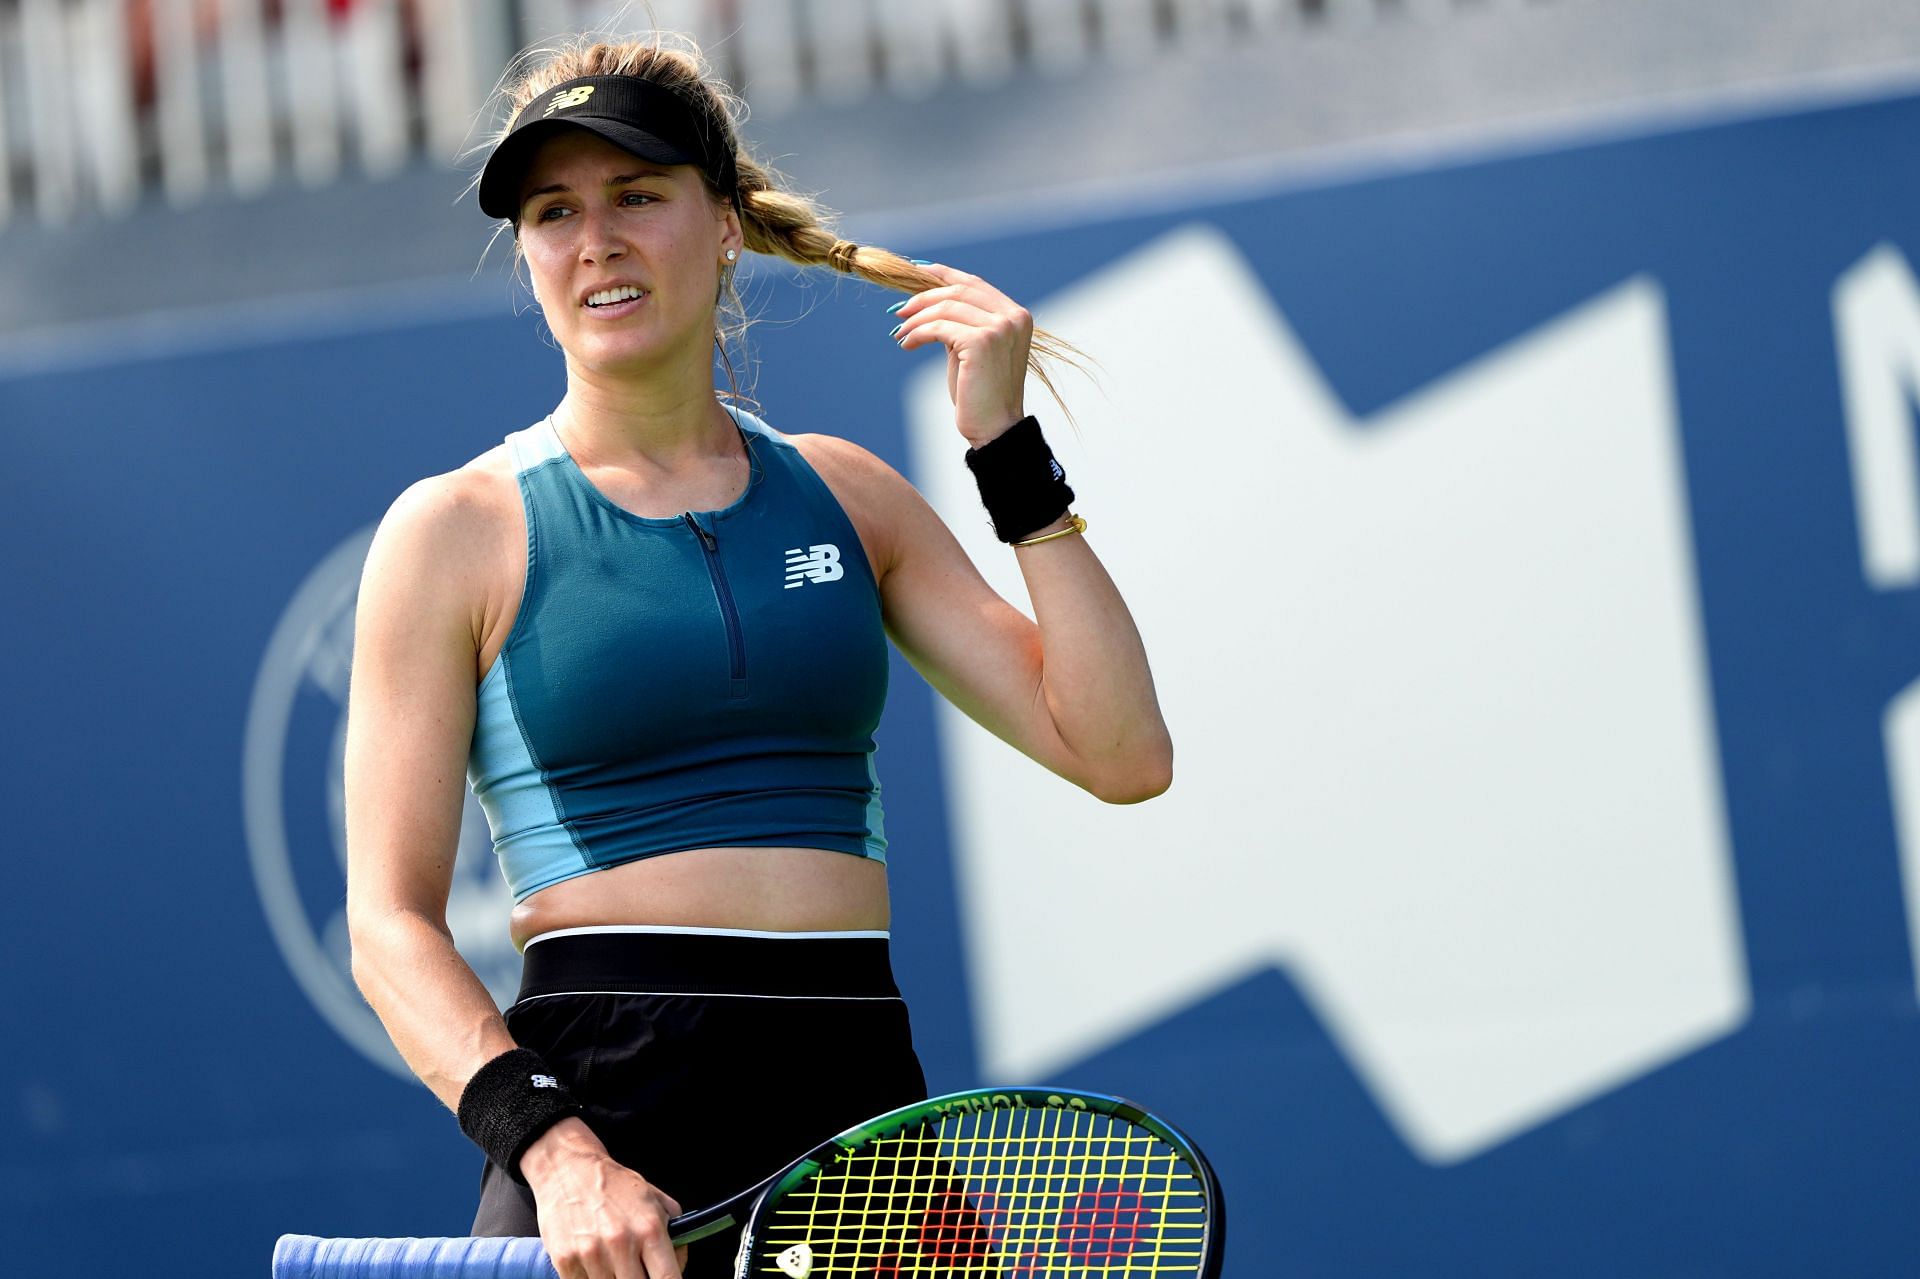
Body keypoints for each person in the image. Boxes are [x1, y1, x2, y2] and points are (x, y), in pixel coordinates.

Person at [343, 32, 1172, 1279]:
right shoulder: (455, 530)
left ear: (725, 222)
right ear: (527, 256)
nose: (595, 242)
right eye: (554, 211)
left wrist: (1004, 447)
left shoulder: (851, 496)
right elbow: (388, 926)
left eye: (636, 196)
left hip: (866, 1125)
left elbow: (1121, 752)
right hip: (608, 1123)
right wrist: (559, 1157)